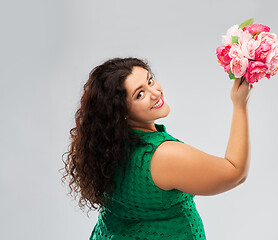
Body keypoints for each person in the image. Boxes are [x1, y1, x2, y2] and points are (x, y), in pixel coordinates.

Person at [61, 57, 253, 239]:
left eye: (150, 81)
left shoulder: (106, 148)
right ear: (121, 112)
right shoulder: (160, 156)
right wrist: (239, 104)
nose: (156, 93)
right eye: (140, 94)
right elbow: (236, 172)